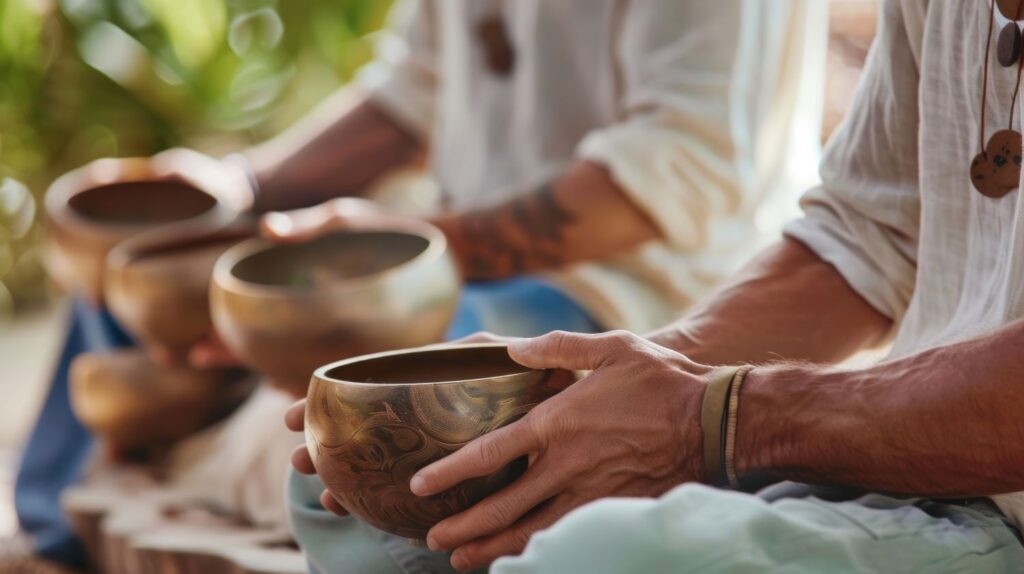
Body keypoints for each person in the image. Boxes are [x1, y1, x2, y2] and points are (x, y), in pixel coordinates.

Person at [15, 1, 823, 570]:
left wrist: (409, 258)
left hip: (617, 298)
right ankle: (56, 539)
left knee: (364, 405)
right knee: (142, 265)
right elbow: (409, 96)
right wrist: (242, 192)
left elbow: (685, 163)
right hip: (450, 261)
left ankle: (204, 412)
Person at [291, 0, 1024, 571]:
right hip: (900, 457)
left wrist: (712, 420)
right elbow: (866, 234)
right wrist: (617, 386)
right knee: (352, 501)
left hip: (999, 502)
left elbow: (685, 158)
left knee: (598, 558)